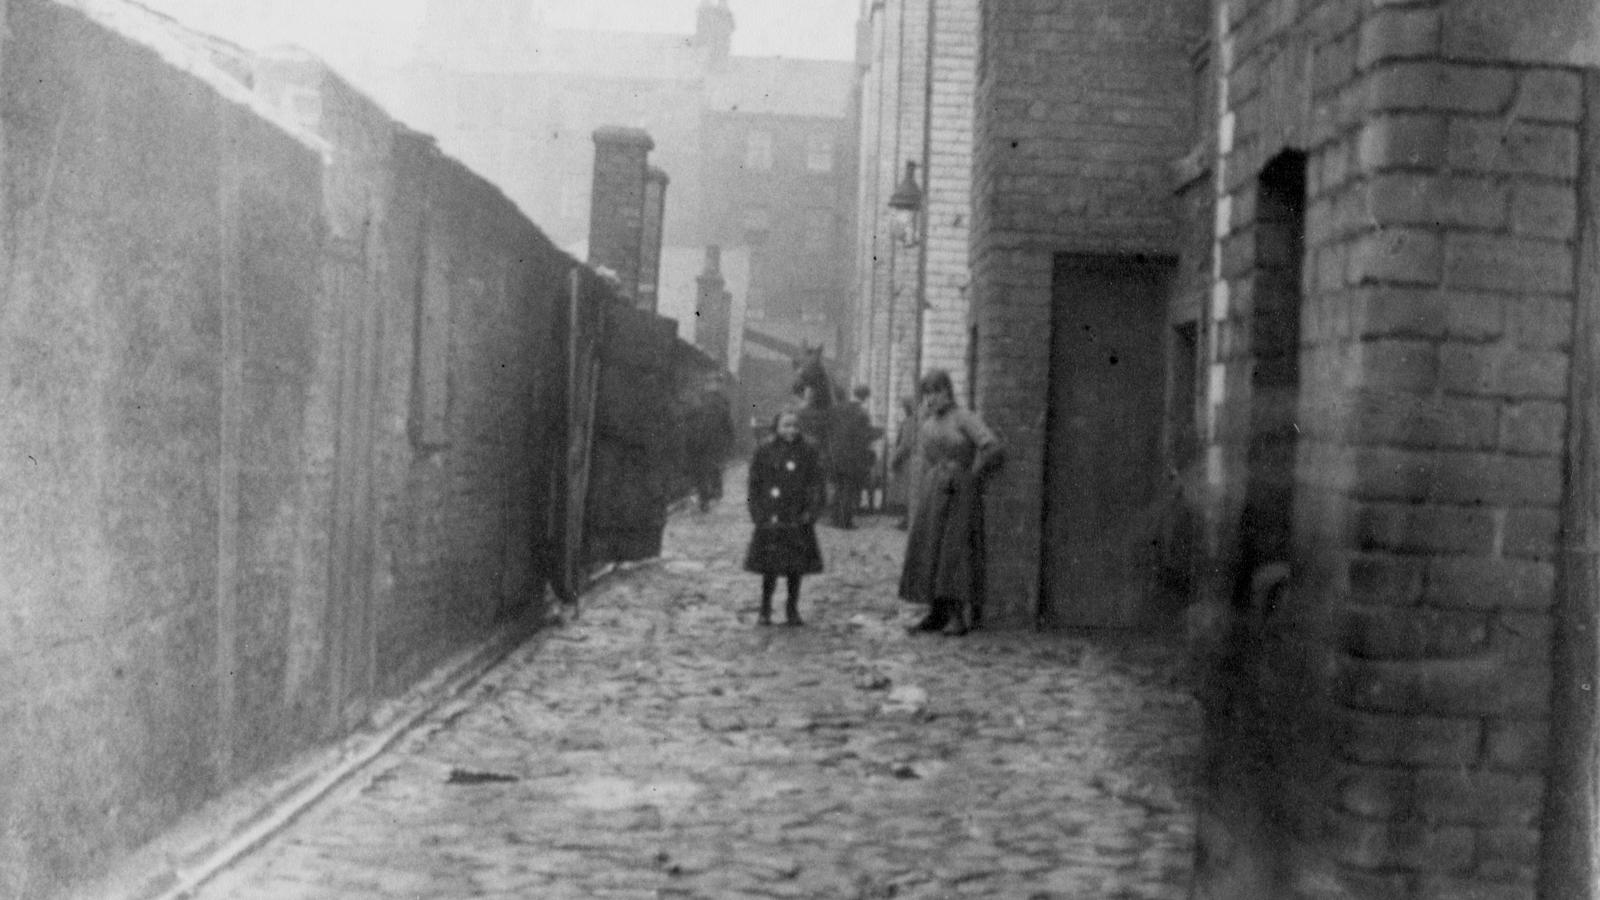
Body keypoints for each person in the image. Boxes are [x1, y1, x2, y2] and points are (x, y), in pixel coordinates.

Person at [899, 369, 1003, 636]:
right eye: (927, 394)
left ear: (948, 391)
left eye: (937, 391)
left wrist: (972, 475)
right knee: (930, 547)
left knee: (953, 552)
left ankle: (957, 617)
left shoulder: (964, 417)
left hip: (960, 491)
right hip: (934, 489)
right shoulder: (927, 424)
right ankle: (936, 612)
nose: (932, 399)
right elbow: (925, 459)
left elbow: (991, 446)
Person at [744, 409, 826, 626]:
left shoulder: (808, 450)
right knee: (769, 566)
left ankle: (792, 608)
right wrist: (757, 512)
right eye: (786, 426)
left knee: (795, 567)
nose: (791, 430)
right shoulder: (765, 450)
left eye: (795, 426)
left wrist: (811, 510)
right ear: (777, 428)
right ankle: (765, 608)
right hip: (772, 515)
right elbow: (755, 483)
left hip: (796, 516)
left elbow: (816, 482)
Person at [826, 385, 876, 529]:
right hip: (852, 457)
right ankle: (845, 521)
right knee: (849, 489)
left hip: (835, 454)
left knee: (838, 487)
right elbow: (864, 437)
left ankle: (835, 518)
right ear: (866, 397)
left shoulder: (838, 408)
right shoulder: (862, 413)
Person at [684, 378, 735, 512]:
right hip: (712, 442)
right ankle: (712, 493)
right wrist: (729, 441)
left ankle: (705, 498)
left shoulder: (702, 400)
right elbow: (728, 425)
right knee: (711, 468)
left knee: (702, 471)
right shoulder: (721, 402)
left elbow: (688, 420)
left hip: (701, 441)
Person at [886, 396, 918, 529]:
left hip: (907, 462)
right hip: (908, 461)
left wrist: (894, 458)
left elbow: (905, 445)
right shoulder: (911, 422)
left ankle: (908, 520)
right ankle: (906, 519)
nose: (899, 410)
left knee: (906, 493)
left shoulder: (909, 423)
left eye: (901, 407)